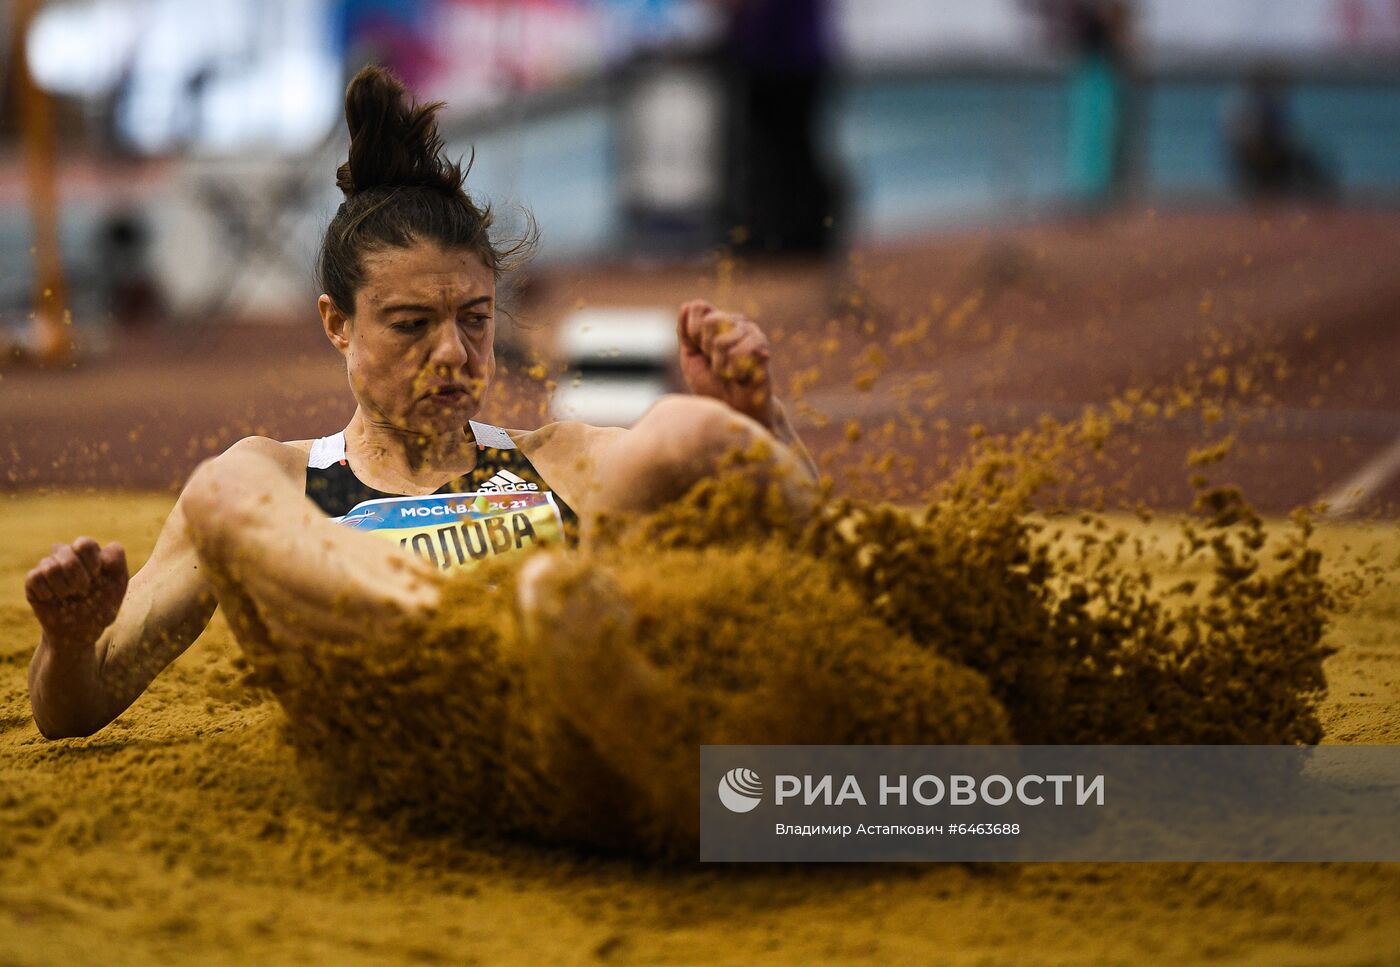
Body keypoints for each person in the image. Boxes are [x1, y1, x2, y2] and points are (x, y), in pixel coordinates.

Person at [24, 66, 818, 741]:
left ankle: (527, 643)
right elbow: (76, 709)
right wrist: (68, 641)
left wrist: (754, 419)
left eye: (475, 320)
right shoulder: (278, 482)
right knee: (222, 486)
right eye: (411, 325)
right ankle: (466, 633)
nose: (452, 353)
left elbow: (792, 515)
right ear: (337, 322)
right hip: (397, 743)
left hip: (557, 732)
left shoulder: (559, 460)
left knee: (684, 427)